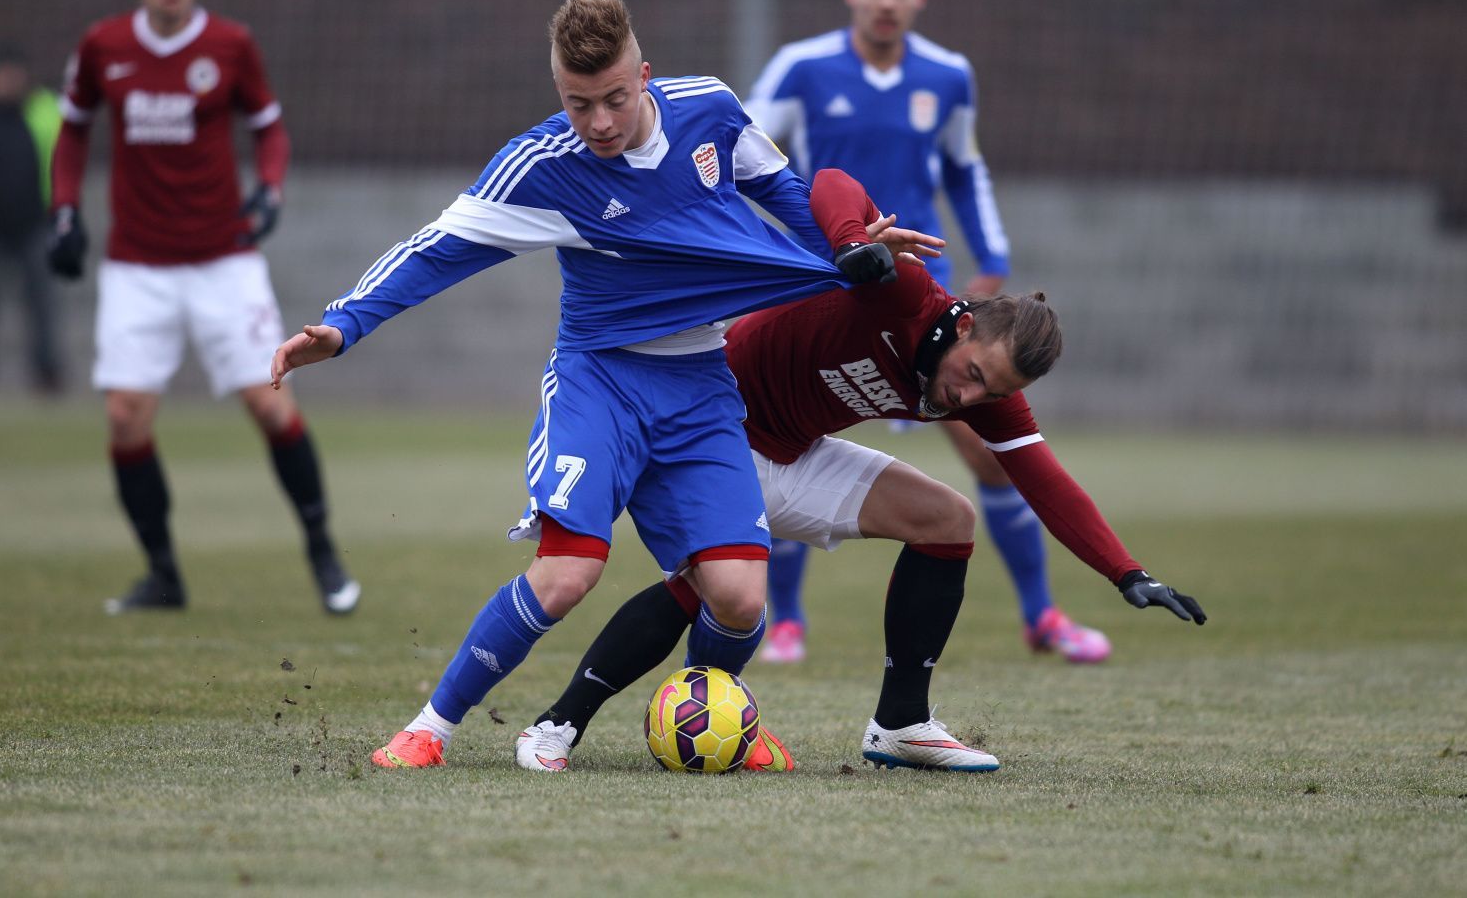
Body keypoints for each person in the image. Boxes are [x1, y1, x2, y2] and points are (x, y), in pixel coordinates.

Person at [270, 0, 908, 771]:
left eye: (614, 98)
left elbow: (786, 194)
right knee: (569, 573)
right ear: (557, 93)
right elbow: (436, 246)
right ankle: (429, 731)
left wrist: (846, 256)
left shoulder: (708, 108)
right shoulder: (544, 168)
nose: (599, 122)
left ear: (645, 75)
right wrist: (346, 324)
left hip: (702, 385)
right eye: (578, 104)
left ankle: (718, 724)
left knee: (741, 599)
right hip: (601, 383)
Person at [513, 168, 1206, 774]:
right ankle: (557, 724)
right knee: (717, 587)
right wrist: (850, 243)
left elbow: (1046, 481)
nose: (968, 399)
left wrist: (1127, 572)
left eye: (990, 394)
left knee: (947, 520)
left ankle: (901, 723)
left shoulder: (983, 392)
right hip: (708, 435)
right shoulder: (904, 294)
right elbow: (831, 182)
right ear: (965, 329)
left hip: (792, 449)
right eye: (972, 377)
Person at [743, 0, 1108, 664]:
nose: (886, 1)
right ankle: (786, 620)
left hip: (926, 304)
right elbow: (750, 152)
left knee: (992, 458)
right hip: (837, 292)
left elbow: (965, 169)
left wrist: (994, 255)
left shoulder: (948, 75)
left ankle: (1041, 615)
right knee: (791, 424)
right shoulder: (801, 67)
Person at [46, 0, 360, 615]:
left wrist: (270, 189)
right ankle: (163, 574)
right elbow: (73, 131)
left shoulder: (230, 46)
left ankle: (323, 553)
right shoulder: (104, 46)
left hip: (225, 260)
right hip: (138, 265)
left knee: (271, 401)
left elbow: (269, 127)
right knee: (126, 417)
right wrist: (64, 212)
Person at [0, 46, 64, 393]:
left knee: (43, 306)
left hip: (35, 224)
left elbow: (65, 161)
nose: (6, 82)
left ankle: (48, 375)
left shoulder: (45, 111)